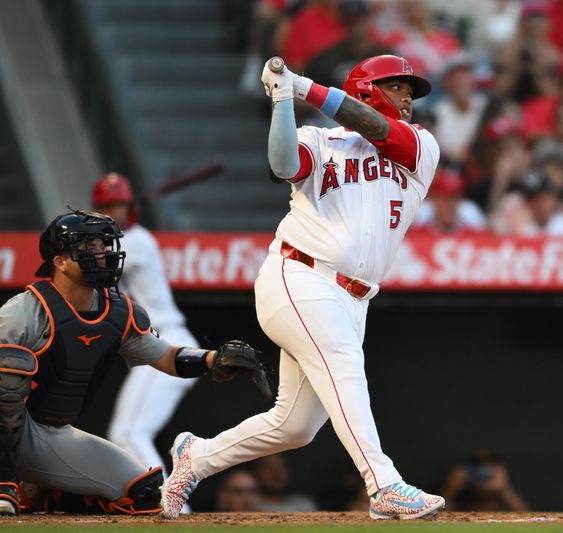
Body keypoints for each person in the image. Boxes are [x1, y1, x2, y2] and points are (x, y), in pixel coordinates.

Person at [159, 54, 445, 520]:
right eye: (396, 86)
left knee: (295, 426)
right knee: (343, 363)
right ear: (367, 89)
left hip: (354, 297)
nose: (408, 96)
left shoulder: (422, 146)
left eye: (410, 89)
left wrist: (303, 86)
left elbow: (375, 126)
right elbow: (282, 163)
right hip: (300, 274)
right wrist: (282, 101)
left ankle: (199, 455)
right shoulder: (321, 139)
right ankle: (384, 484)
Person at [0, 210, 268, 515]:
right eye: (89, 248)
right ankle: (4, 483)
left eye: (103, 246)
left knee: (144, 494)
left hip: (48, 434)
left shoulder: (117, 311)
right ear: (60, 261)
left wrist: (213, 359)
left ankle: (42, 494)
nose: (101, 255)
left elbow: (166, 357)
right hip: (10, 428)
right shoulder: (24, 311)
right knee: (8, 371)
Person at [91, 173, 200, 488]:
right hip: (150, 347)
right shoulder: (116, 240)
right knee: (127, 432)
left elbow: (99, 265)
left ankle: (171, 504)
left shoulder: (136, 241)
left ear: (130, 207)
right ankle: (171, 504)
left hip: (165, 343)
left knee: (129, 433)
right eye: (108, 206)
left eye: (120, 205)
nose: (115, 211)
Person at [440, 450, 529, 512]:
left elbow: (526, 516)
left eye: (492, 466)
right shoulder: (463, 495)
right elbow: (441, 519)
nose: (484, 472)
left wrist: (505, 489)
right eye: (477, 467)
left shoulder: (501, 496)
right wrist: (450, 490)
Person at [411, 167, 487, 234]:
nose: (449, 204)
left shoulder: (471, 234)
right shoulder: (419, 234)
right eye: (445, 199)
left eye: (454, 198)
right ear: (434, 200)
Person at [251, 454, 317, 512]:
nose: (276, 472)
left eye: (281, 466)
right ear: (256, 471)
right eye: (268, 466)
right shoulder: (248, 505)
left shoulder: (303, 504)